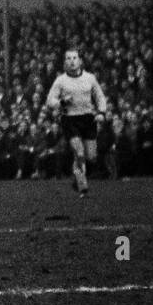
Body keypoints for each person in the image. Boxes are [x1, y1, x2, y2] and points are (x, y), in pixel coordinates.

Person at [43, 48, 108, 197]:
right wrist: (61, 102)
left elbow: (100, 97)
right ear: (64, 62)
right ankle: (81, 184)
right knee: (79, 153)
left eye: (74, 58)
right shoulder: (60, 80)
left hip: (88, 118)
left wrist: (101, 112)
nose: (72, 61)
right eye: (68, 59)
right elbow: (49, 100)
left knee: (91, 156)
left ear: (80, 61)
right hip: (70, 119)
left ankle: (76, 174)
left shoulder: (90, 78)